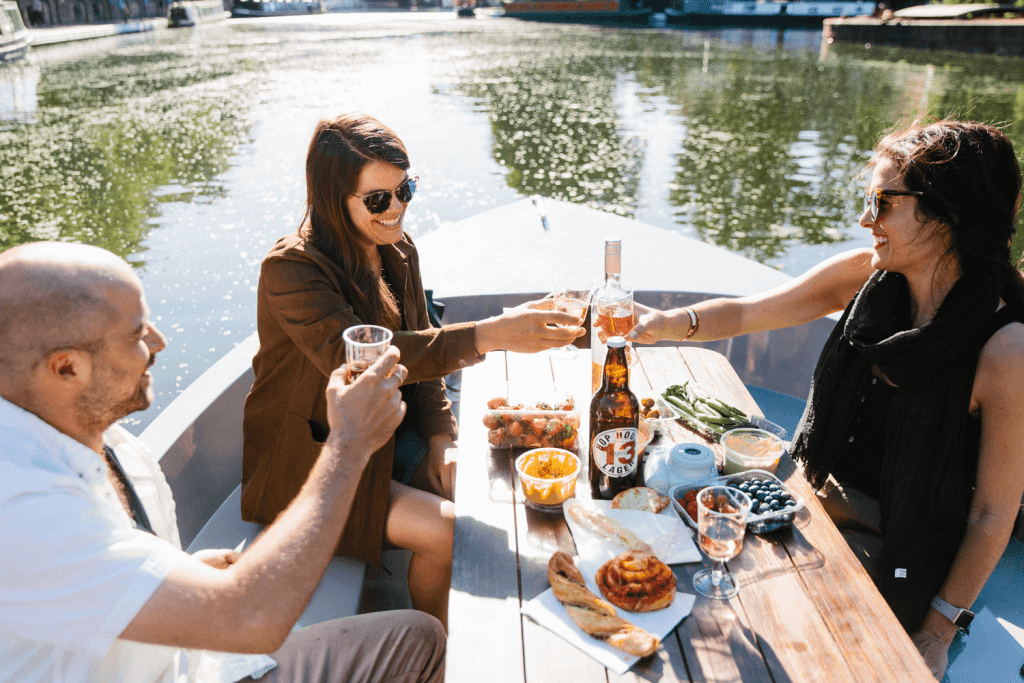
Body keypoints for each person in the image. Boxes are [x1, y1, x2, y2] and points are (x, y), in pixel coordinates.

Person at [628, 120, 1024, 680]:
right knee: (666, 521)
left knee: (767, 621)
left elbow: (992, 515)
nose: (867, 220)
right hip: (810, 489)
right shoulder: (868, 275)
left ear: (945, 214)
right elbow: (747, 313)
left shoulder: (1005, 349)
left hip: (899, 545)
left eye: (884, 203)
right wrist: (668, 322)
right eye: (869, 200)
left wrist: (936, 633)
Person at [0, 242, 446, 683]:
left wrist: (183, 571)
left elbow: (94, 570)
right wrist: (348, 444)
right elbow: (252, 619)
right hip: (201, 655)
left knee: (418, 639)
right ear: (66, 369)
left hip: (190, 661)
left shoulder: (74, 425)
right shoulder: (24, 511)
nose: (159, 341)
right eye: (137, 334)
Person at [241, 113, 584, 630]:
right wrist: (490, 334)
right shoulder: (292, 270)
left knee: (501, 488)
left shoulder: (398, 249)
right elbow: (362, 361)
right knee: (446, 529)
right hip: (310, 461)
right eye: (378, 199)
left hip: (385, 437)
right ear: (334, 200)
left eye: (405, 190)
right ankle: (440, 654)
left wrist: (442, 436)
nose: (396, 208)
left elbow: (422, 362)